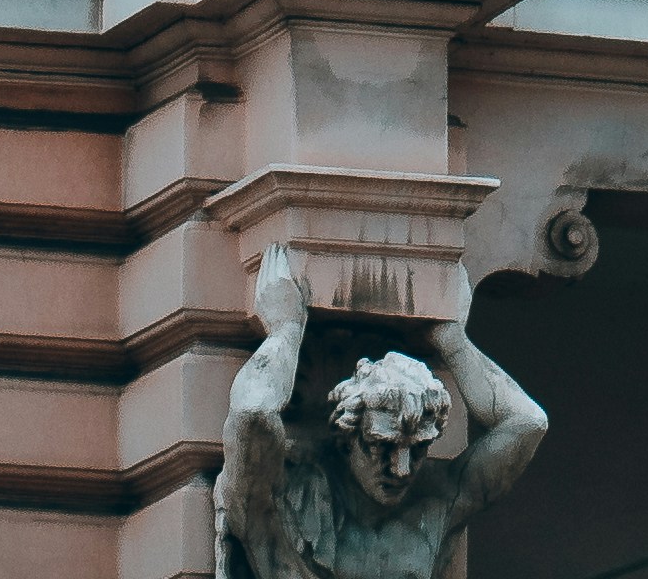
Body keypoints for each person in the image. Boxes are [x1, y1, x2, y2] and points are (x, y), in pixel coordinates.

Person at [220, 242, 551, 579]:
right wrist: (286, 330)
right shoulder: (288, 496)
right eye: (383, 446)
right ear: (346, 438)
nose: (401, 470)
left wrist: (453, 340)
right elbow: (252, 413)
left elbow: (528, 423)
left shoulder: (436, 502)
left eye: (418, 449)